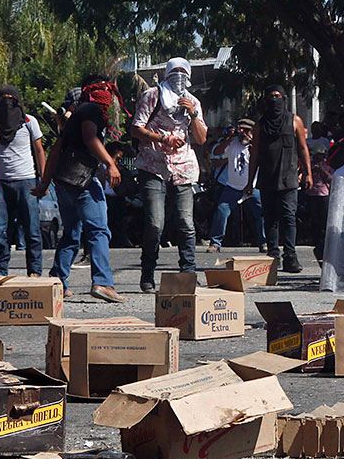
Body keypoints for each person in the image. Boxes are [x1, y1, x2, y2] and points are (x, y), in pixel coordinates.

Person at [34, 75, 126, 302]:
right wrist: (110, 163)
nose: (106, 94)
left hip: (64, 181)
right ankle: (103, 282)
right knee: (98, 231)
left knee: (71, 233)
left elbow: (56, 150)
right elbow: (90, 137)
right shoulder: (91, 110)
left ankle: (57, 282)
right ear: (90, 91)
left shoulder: (75, 116)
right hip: (83, 181)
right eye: (102, 89)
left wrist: (45, 182)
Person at [131, 58, 207, 291]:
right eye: (175, 71)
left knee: (186, 222)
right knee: (155, 223)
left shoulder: (193, 101)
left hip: (183, 168)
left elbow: (201, 138)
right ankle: (148, 272)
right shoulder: (152, 95)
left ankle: (188, 273)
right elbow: (136, 128)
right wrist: (163, 138)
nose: (179, 76)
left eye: (184, 72)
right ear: (167, 73)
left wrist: (192, 114)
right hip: (153, 166)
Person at [247, 85, 313, 273]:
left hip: (288, 177)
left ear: (284, 98)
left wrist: (308, 173)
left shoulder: (294, 121)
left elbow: (303, 148)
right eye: (270, 96)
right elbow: (255, 154)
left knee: (288, 216)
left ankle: (290, 256)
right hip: (267, 177)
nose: (274, 99)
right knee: (270, 218)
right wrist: (249, 182)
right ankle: (273, 256)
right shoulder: (260, 125)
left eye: (277, 96)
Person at [0, 85, 45, 280]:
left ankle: (35, 271)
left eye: (11, 98)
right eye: (3, 98)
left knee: (32, 229)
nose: (7, 103)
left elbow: (39, 150)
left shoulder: (29, 122)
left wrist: (44, 179)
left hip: (26, 181)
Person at [208, 118, 265, 252]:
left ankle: (264, 242)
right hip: (232, 187)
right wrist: (229, 138)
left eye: (247, 131)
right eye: (241, 130)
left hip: (252, 187)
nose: (243, 134)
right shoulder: (232, 143)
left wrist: (254, 147)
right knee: (221, 211)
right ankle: (215, 242)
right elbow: (217, 152)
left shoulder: (256, 145)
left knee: (260, 214)